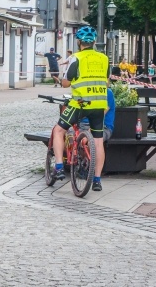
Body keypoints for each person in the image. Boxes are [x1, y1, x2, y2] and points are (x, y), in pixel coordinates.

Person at [52, 26, 110, 192]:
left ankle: (58, 166)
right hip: (99, 104)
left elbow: (65, 83)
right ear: (93, 42)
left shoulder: (75, 58)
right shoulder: (104, 58)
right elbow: (106, 82)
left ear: (79, 42)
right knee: (98, 141)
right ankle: (97, 180)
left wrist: (66, 71)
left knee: (59, 131)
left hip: (80, 104)